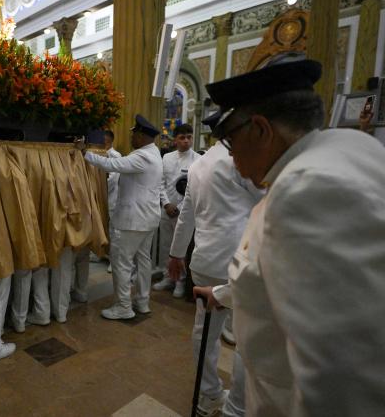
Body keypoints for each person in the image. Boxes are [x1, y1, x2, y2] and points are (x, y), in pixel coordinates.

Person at [193, 58, 385, 416]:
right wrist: (223, 294)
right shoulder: (348, 149)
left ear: (262, 130)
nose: (232, 159)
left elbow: (339, 376)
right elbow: (306, 279)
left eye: (232, 142)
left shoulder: (307, 190)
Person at [167, 128, 262, 416]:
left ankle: (208, 393)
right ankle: (238, 405)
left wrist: (175, 253)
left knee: (204, 331)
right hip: (238, 260)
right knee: (247, 337)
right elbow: (268, 202)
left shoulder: (198, 164)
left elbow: (187, 214)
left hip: (205, 260)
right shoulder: (241, 161)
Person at [76, 115, 163, 319]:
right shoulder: (154, 153)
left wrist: (84, 152)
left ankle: (123, 306)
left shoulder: (142, 156)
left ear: (141, 136)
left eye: (134, 134)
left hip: (133, 221)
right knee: (143, 261)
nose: (131, 137)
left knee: (122, 263)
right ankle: (142, 301)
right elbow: (121, 163)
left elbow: (112, 165)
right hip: (147, 220)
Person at [152, 123, 200, 297]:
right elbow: (161, 183)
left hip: (185, 212)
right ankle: (167, 277)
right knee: (166, 246)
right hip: (167, 210)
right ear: (175, 139)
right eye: (182, 137)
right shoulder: (167, 158)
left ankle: (180, 281)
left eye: (189, 137)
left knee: (182, 247)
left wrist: (179, 207)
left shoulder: (197, 160)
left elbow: (194, 187)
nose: (186, 141)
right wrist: (166, 204)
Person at [103, 130, 121, 274]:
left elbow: (112, 180)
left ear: (108, 141)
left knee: (113, 231)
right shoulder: (98, 154)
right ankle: (101, 253)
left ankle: (113, 260)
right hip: (100, 199)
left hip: (111, 198)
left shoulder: (115, 156)